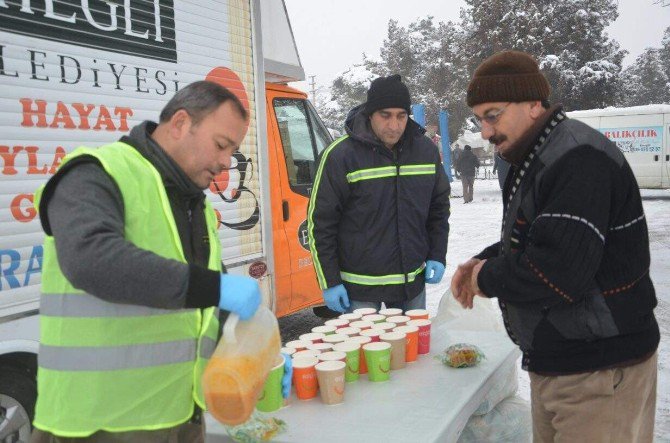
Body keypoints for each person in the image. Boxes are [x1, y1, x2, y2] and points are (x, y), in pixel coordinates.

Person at [30, 81, 292, 443]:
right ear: (181, 123)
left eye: (232, 150)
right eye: (221, 145)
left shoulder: (193, 202)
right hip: (98, 425)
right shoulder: (96, 172)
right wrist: (214, 287)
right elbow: (91, 259)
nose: (225, 162)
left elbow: (203, 310)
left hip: (178, 417)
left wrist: (261, 355)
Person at [450, 50, 659, 442]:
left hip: (598, 371)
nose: (484, 131)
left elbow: (558, 272)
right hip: (562, 363)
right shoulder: (538, 153)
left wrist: (487, 277)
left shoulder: (577, 159)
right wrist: (486, 259)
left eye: (492, 115)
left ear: (533, 103)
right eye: (479, 118)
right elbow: (538, 236)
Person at [308, 74, 450, 313]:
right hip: (360, 288)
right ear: (370, 113)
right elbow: (321, 223)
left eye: (401, 116)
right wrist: (329, 281)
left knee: (412, 350)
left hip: (410, 284)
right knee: (366, 351)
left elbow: (438, 208)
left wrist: (437, 253)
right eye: (385, 115)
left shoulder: (425, 151)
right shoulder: (340, 156)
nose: (394, 125)